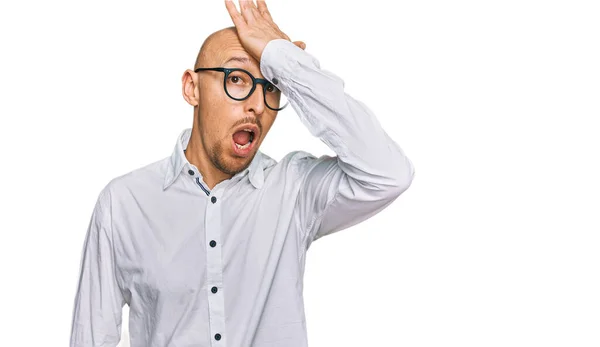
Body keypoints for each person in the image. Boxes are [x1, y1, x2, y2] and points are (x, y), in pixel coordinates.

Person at [69, 1, 415, 346]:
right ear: (192, 88)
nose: (257, 104)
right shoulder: (124, 203)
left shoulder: (293, 190)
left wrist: (287, 62)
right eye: (236, 79)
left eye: (272, 86)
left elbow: (388, 173)